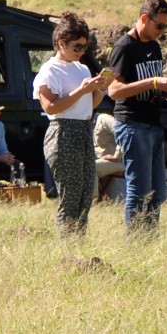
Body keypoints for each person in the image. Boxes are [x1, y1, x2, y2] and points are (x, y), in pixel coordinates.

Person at [34, 15, 115, 235]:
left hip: (84, 130)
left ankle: (79, 243)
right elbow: (50, 107)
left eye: (84, 46)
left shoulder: (82, 69)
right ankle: (68, 250)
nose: (81, 51)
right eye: (77, 46)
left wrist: (100, 88)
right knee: (70, 196)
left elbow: (91, 105)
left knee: (86, 194)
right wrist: (82, 89)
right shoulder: (49, 70)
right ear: (61, 43)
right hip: (62, 132)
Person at [105, 0, 167, 232]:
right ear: (144, 18)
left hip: (153, 124)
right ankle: (135, 243)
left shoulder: (154, 46)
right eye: (159, 25)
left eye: (166, 27)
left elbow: (153, 87)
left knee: (158, 191)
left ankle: (149, 241)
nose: (162, 31)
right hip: (132, 125)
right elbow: (113, 90)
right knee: (139, 191)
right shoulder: (124, 47)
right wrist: (153, 82)